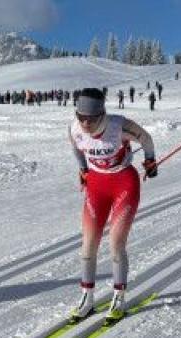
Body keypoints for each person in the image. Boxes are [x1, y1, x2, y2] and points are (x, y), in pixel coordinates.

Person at [67, 88, 157, 322]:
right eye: (81, 117)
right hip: (96, 185)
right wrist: (84, 170)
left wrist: (150, 160)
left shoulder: (118, 125)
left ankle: (119, 295)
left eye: (91, 118)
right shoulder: (74, 128)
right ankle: (87, 296)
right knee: (88, 244)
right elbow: (76, 148)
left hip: (123, 184)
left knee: (116, 243)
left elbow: (145, 137)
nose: (85, 123)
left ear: (102, 114)